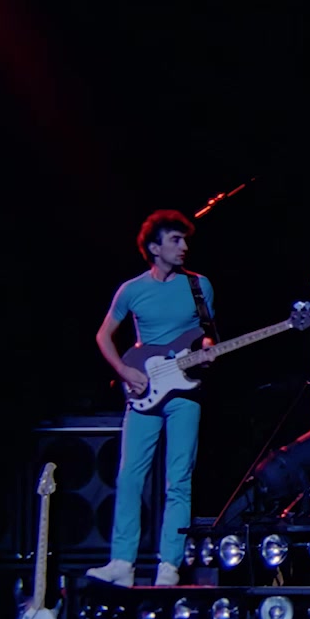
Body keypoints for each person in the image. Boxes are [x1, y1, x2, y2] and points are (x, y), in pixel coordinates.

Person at [85, 210, 216, 588]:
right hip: (144, 390)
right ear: (154, 248)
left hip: (186, 393)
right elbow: (103, 335)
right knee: (129, 476)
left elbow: (208, 333)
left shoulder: (199, 286)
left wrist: (208, 349)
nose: (184, 246)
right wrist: (124, 371)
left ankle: (169, 566)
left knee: (179, 480)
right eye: (176, 240)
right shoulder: (131, 290)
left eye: (185, 240)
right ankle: (121, 563)